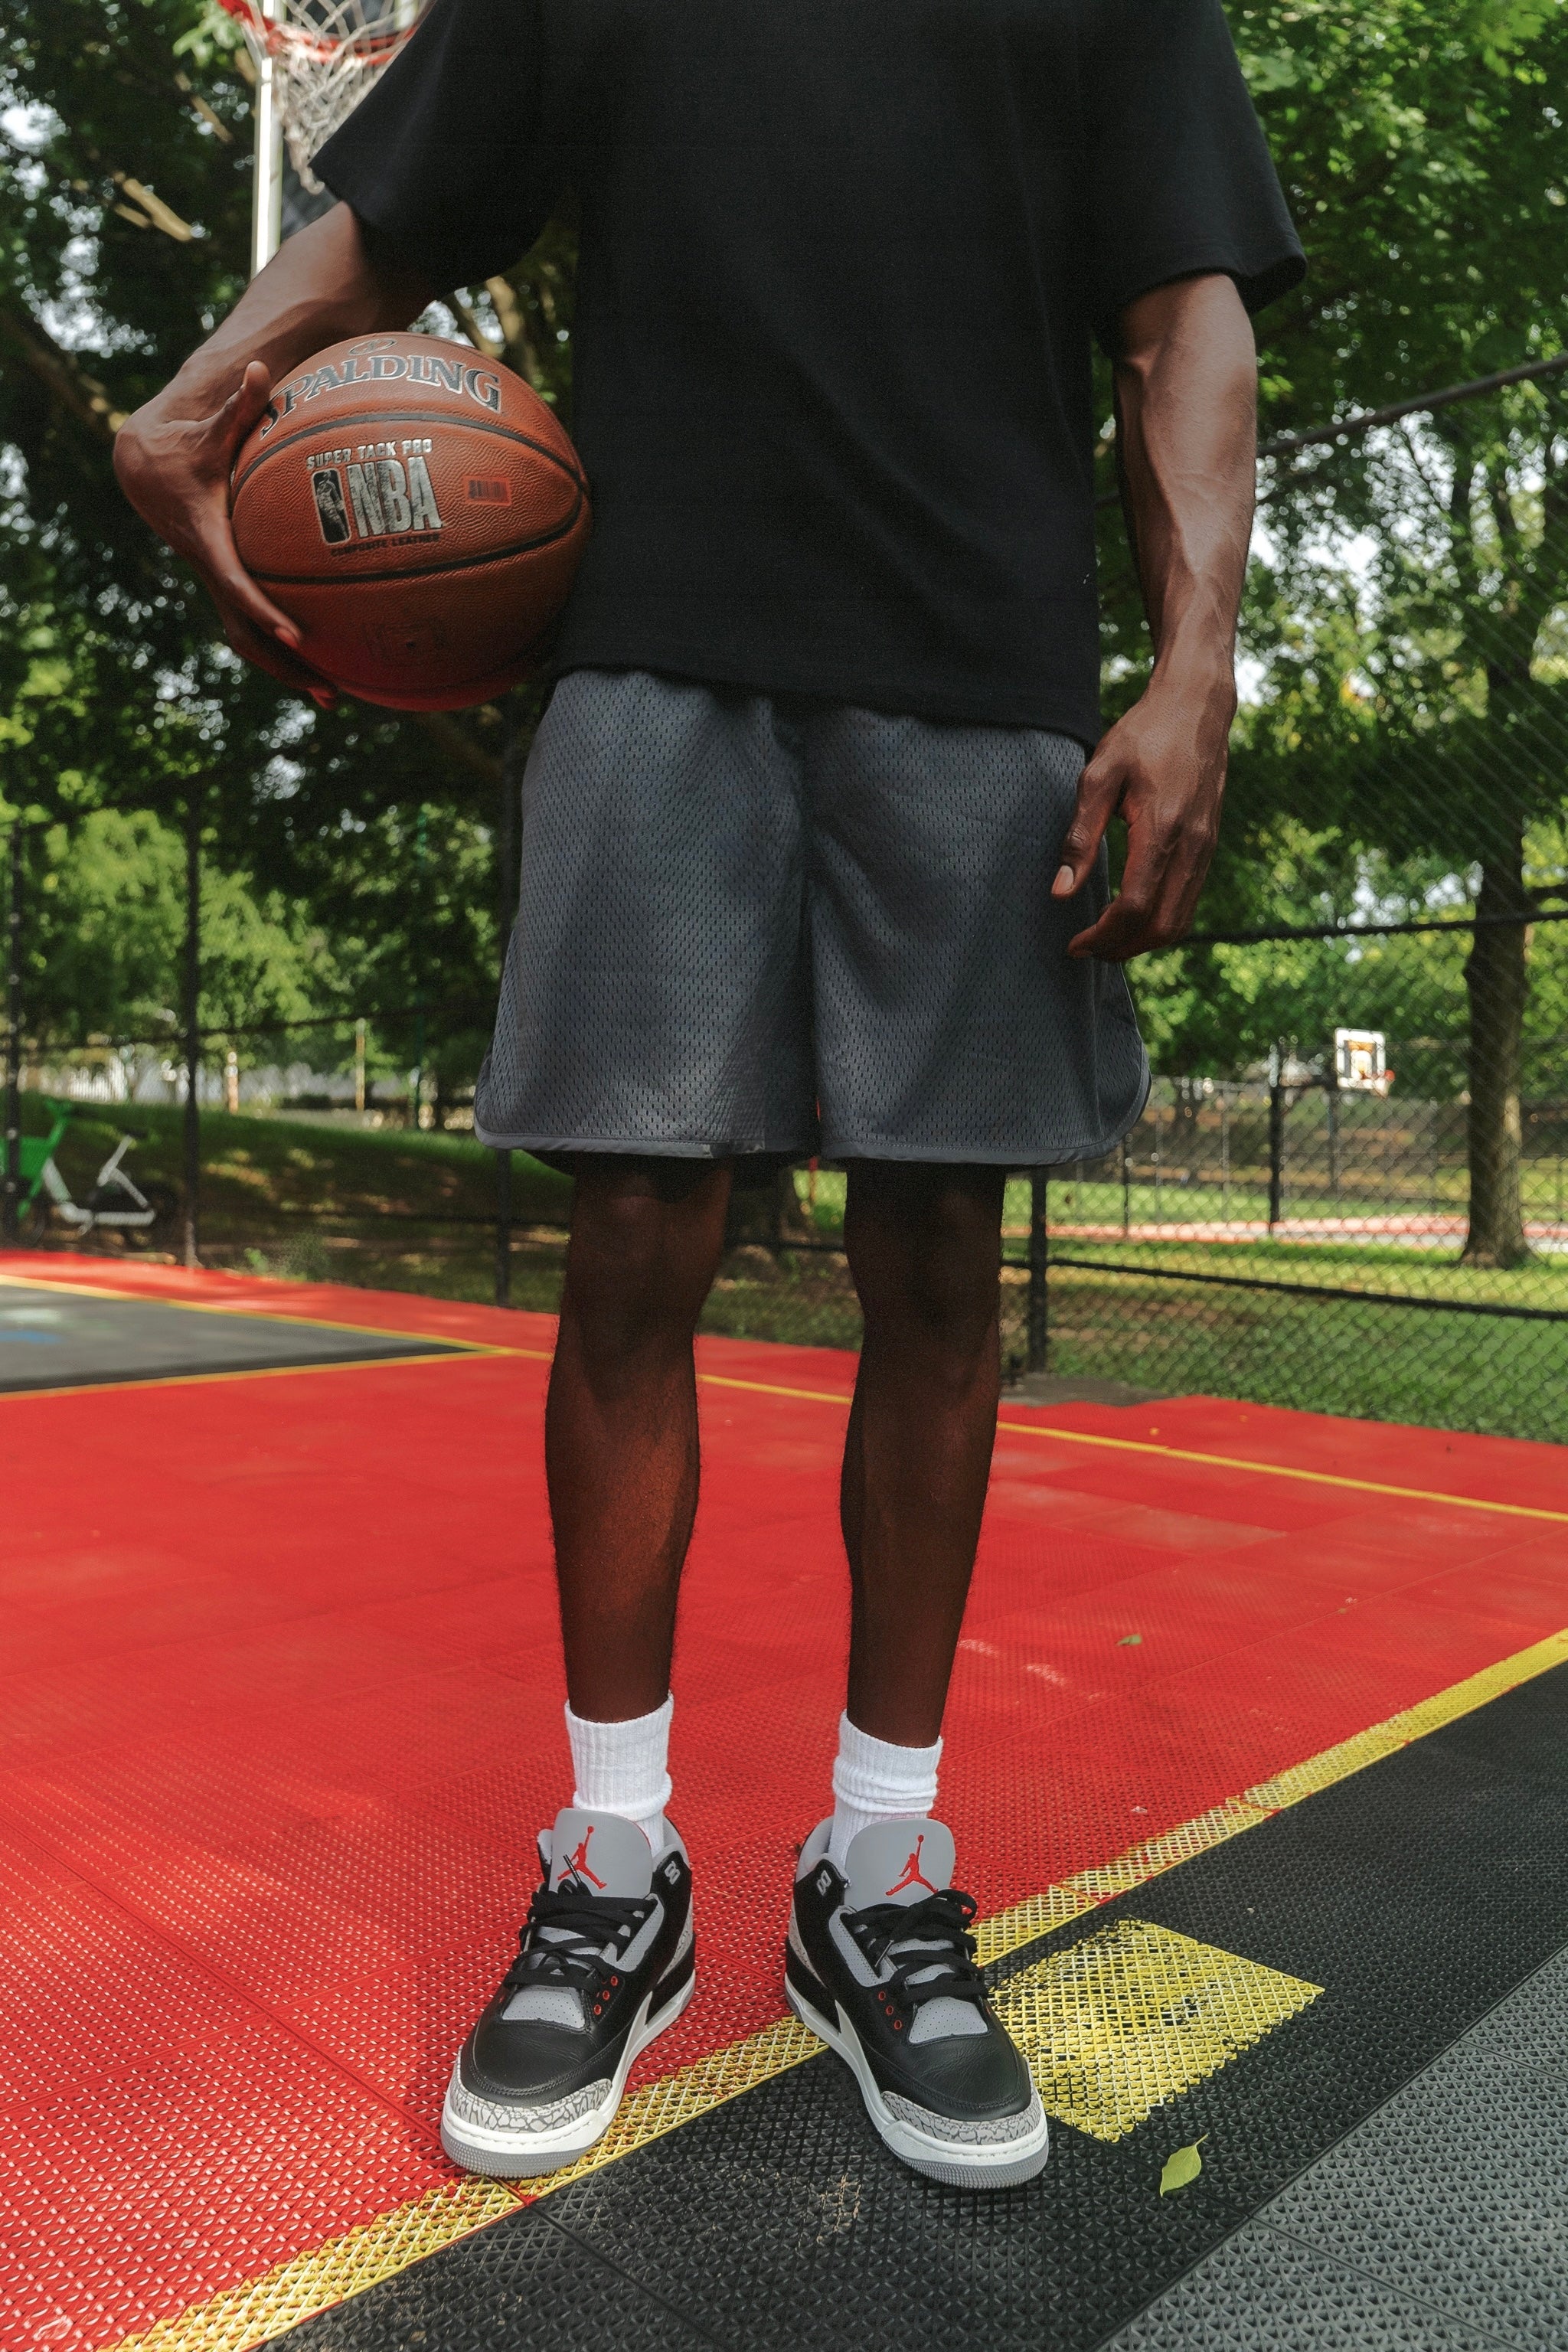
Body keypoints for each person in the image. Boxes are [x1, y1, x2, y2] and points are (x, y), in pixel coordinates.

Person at [115, 0, 1302, 2191]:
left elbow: (1182, 310)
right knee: (633, 1238)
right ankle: (615, 1866)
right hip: (649, 644)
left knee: (940, 1260)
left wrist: (1196, 662)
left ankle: (879, 1871)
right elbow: (401, 208)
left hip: (974, 662)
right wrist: (201, 393)